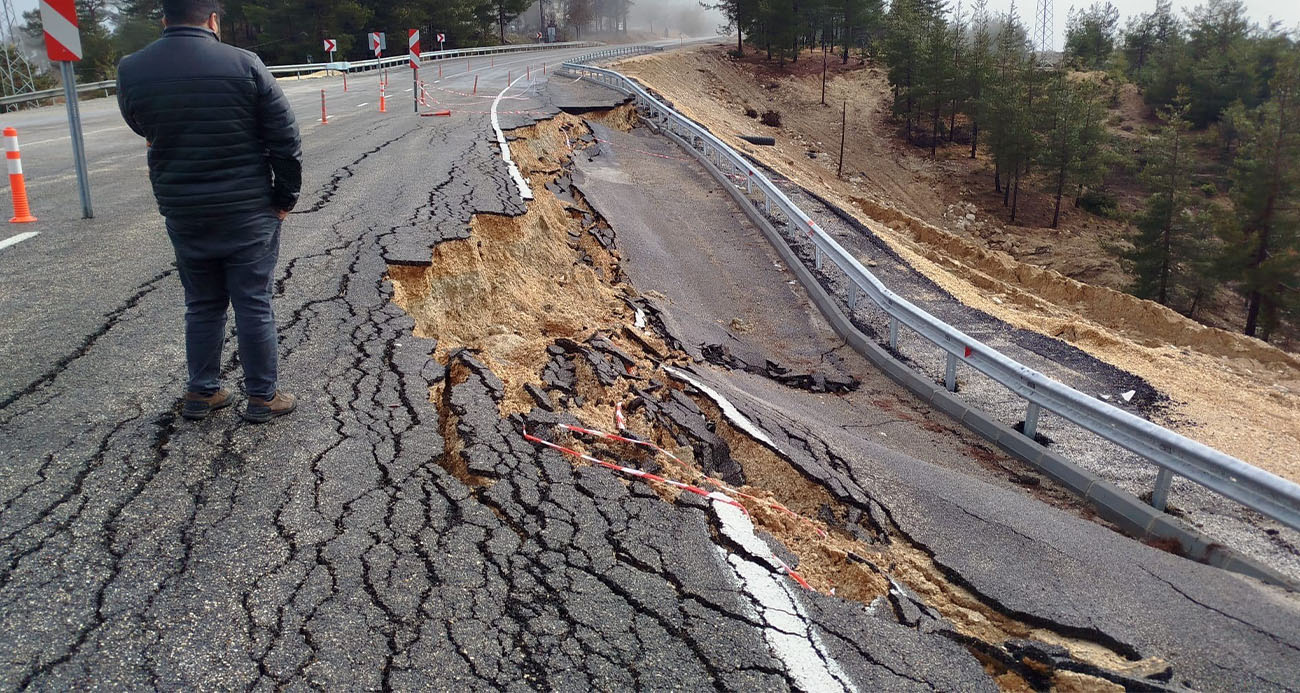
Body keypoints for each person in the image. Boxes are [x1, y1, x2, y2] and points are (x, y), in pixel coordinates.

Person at [116, 0, 302, 423]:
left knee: (201, 303)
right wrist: (284, 198)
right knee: (253, 302)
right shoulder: (245, 64)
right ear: (213, 20)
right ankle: (261, 397)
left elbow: (140, 123)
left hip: (184, 209)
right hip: (248, 208)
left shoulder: (132, 68)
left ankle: (202, 393)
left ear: (164, 19)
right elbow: (284, 137)